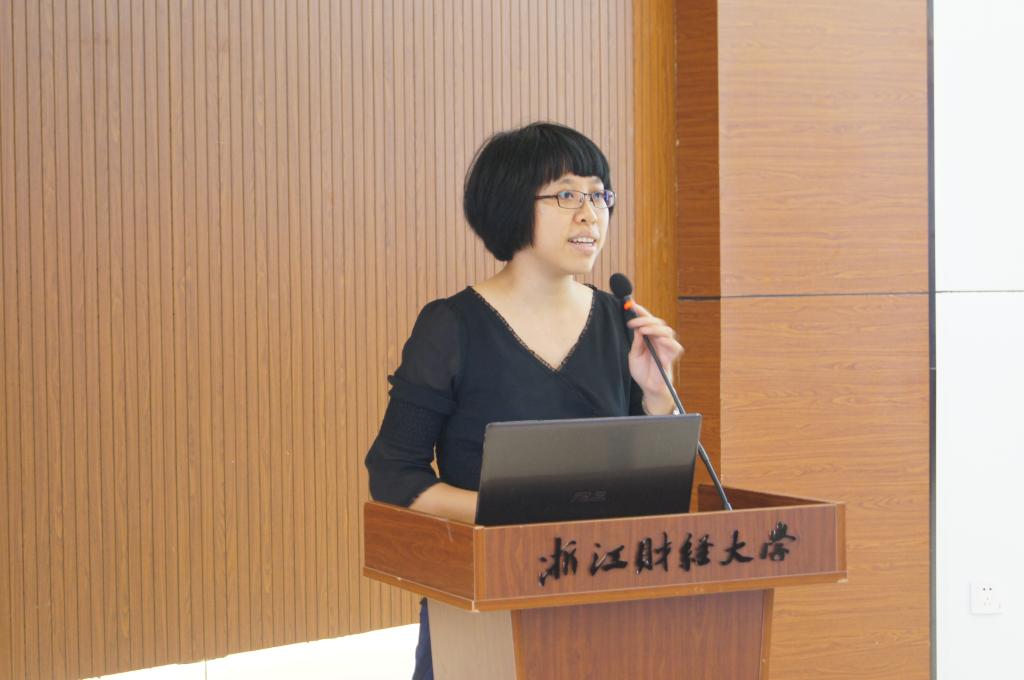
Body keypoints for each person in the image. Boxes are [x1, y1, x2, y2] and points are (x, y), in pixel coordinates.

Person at [364, 122, 683, 680]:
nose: (590, 214)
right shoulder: (452, 326)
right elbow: (394, 475)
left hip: (603, 601)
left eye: (599, 195)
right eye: (566, 195)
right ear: (512, 203)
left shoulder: (619, 323)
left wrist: (659, 399)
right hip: (484, 600)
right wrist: (514, 518)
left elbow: (652, 493)